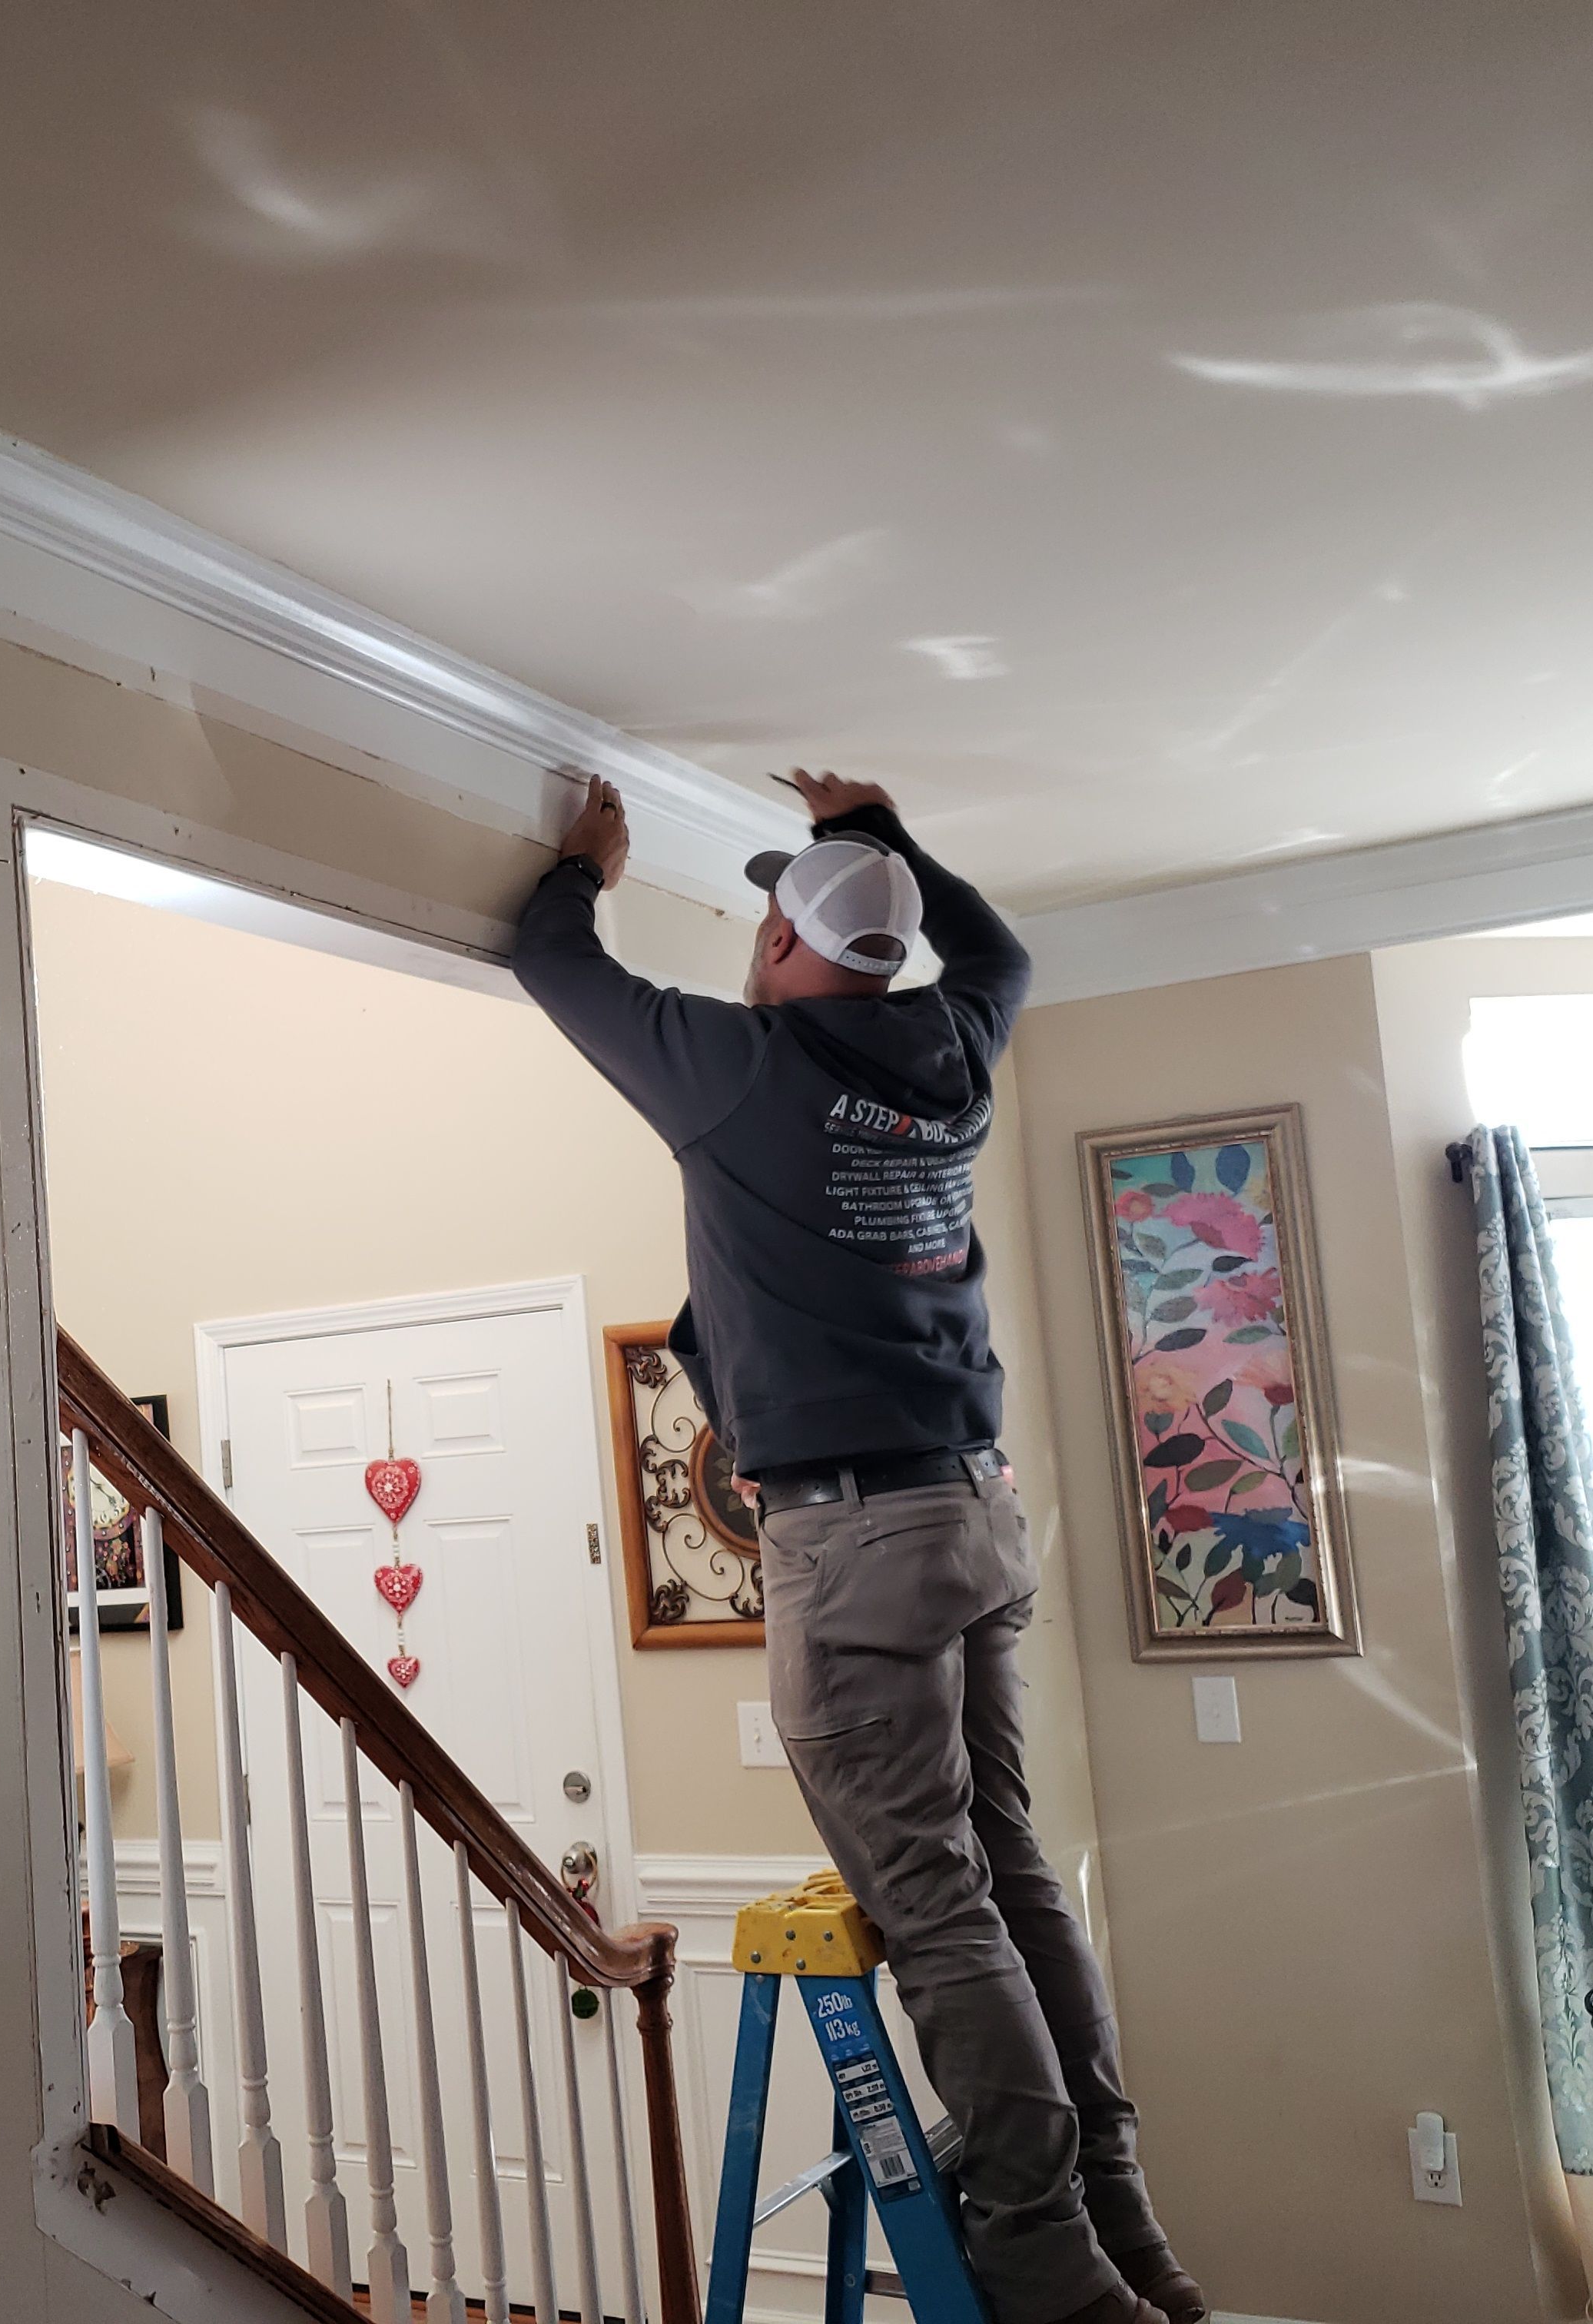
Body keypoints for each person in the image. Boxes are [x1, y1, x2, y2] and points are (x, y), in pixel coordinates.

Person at [513, 772, 1201, 2324]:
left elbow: (557, 966)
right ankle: (1126, 2234)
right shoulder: (950, 1049)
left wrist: (582, 867)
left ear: (778, 942)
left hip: (857, 1533)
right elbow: (1001, 957)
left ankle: (1049, 2271)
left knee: (942, 1903)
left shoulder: (744, 1070)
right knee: (1007, 1871)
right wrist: (887, 838)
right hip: (969, 1507)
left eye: (772, 917)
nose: (757, 935)